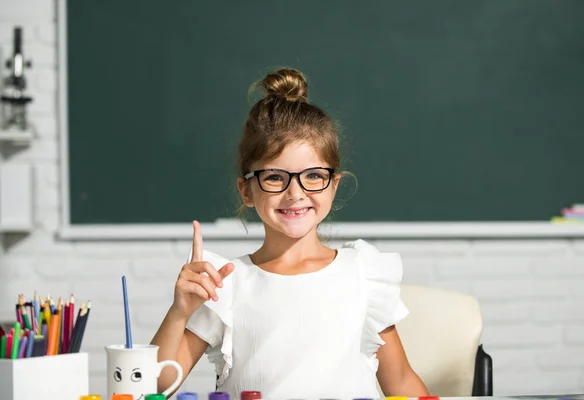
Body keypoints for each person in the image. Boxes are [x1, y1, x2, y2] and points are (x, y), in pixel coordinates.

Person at [151, 68, 429, 400]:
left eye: (313, 176)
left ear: (333, 185)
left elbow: (401, 383)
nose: (295, 193)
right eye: (274, 177)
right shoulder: (224, 285)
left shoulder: (362, 274)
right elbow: (153, 388)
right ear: (246, 190)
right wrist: (179, 312)